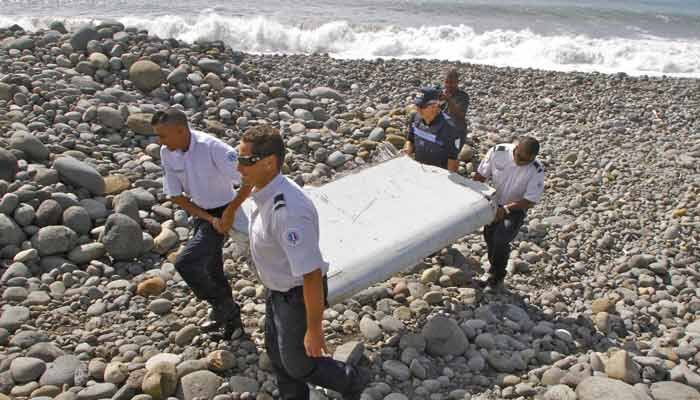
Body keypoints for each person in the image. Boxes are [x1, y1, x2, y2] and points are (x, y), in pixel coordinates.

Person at [237, 125, 370, 400]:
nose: (239, 168)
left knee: (299, 362)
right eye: (236, 159)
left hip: (297, 295)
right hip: (278, 291)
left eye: (245, 161)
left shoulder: (288, 213)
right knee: (277, 353)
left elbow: (310, 276)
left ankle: (352, 381)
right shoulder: (264, 191)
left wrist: (314, 329)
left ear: (269, 163)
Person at [153, 108, 251, 340]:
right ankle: (231, 320)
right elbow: (175, 195)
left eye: (163, 135)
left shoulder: (211, 147)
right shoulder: (167, 152)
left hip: (228, 207)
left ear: (180, 130)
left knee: (186, 262)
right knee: (211, 267)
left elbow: (248, 179)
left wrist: (228, 213)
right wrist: (209, 219)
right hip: (204, 213)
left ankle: (223, 308)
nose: (160, 141)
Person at [473, 136, 545, 290]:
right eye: (519, 157)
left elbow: (530, 200)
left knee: (502, 237)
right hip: (493, 202)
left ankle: (497, 275)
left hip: (515, 208)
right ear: (516, 147)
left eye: (526, 160)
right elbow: (480, 176)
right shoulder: (498, 152)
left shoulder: (536, 169)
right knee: (489, 236)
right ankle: (493, 268)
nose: (521, 162)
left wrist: (505, 209)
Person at [402, 86, 463, 172]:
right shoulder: (414, 117)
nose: (418, 109)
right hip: (419, 170)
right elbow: (410, 140)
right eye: (417, 105)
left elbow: (453, 162)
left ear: (435, 106)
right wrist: (408, 149)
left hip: (439, 175)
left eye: (422, 106)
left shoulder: (450, 128)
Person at [440, 68, 470, 139]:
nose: (448, 85)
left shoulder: (463, 96)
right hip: (440, 127)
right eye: (446, 82)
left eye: (451, 82)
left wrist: (448, 100)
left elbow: (460, 115)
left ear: (457, 82)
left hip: (456, 130)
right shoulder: (441, 94)